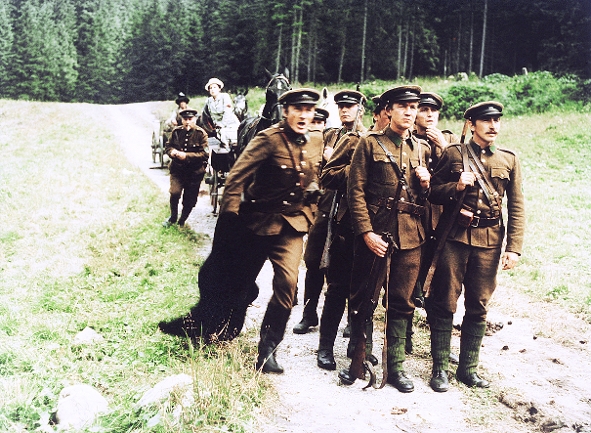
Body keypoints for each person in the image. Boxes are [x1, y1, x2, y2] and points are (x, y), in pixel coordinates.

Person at [217, 88, 323, 373]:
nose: (303, 116)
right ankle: (226, 325)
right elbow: (235, 179)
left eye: (308, 110)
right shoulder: (268, 139)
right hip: (257, 222)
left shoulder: (316, 140)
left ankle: (267, 351)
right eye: (297, 109)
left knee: (288, 284)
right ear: (285, 111)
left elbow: (316, 173)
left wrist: (313, 192)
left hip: (292, 225)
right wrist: (229, 221)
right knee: (241, 281)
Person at [426, 101, 525, 392]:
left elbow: (516, 205)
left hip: (490, 242)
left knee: (479, 305)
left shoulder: (509, 159)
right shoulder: (453, 154)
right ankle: (440, 369)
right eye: (486, 120)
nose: (493, 126)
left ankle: (468, 370)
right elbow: (432, 192)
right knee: (444, 301)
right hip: (454, 239)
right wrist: (456, 186)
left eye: (497, 120)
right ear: (471, 124)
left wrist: (513, 247)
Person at [338, 85, 431, 393]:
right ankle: (358, 360)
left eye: (413, 107)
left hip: (410, 236)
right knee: (363, 298)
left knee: (402, 303)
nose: (409, 112)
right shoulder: (369, 143)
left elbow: (423, 199)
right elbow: (355, 191)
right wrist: (366, 232)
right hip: (377, 233)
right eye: (403, 106)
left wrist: (426, 185)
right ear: (388, 110)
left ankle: (396, 368)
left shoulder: (421, 148)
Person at [315, 94, 392, 371]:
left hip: (380, 229)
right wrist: (357, 169)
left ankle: (359, 346)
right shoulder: (354, 140)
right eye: (387, 114)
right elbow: (327, 175)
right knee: (338, 288)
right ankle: (325, 348)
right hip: (348, 226)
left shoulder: (399, 148)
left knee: (368, 291)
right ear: (377, 115)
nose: (392, 119)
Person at [292, 91, 366, 337]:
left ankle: (351, 319)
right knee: (313, 260)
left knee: (350, 267)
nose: (345, 110)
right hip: (325, 206)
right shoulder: (329, 135)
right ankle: (309, 313)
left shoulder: (367, 138)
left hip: (351, 212)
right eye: (341, 106)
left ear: (361, 110)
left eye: (350, 106)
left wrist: (332, 158)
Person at [406, 92, 460, 355]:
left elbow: (459, 174)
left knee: (437, 282)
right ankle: (403, 335)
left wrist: (443, 147)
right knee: (407, 278)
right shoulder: (407, 139)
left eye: (433, 111)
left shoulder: (450, 140)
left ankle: (439, 344)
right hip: (412, 218)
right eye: (423, 110)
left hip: (439, 219)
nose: (429, 115)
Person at [162, 108, 209, 228]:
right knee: (174, 192)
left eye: (190, 119)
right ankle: (173, 217)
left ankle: (182, 221)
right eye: (185, 119)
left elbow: (205, 154)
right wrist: (171, 152)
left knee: (189, 200)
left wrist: (186, 156)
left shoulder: (201, 134)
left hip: (194, 173)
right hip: (178, 170)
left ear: (195, 119)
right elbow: (168, 146)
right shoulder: (176, 132)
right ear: (181, 120)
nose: (187, 122)